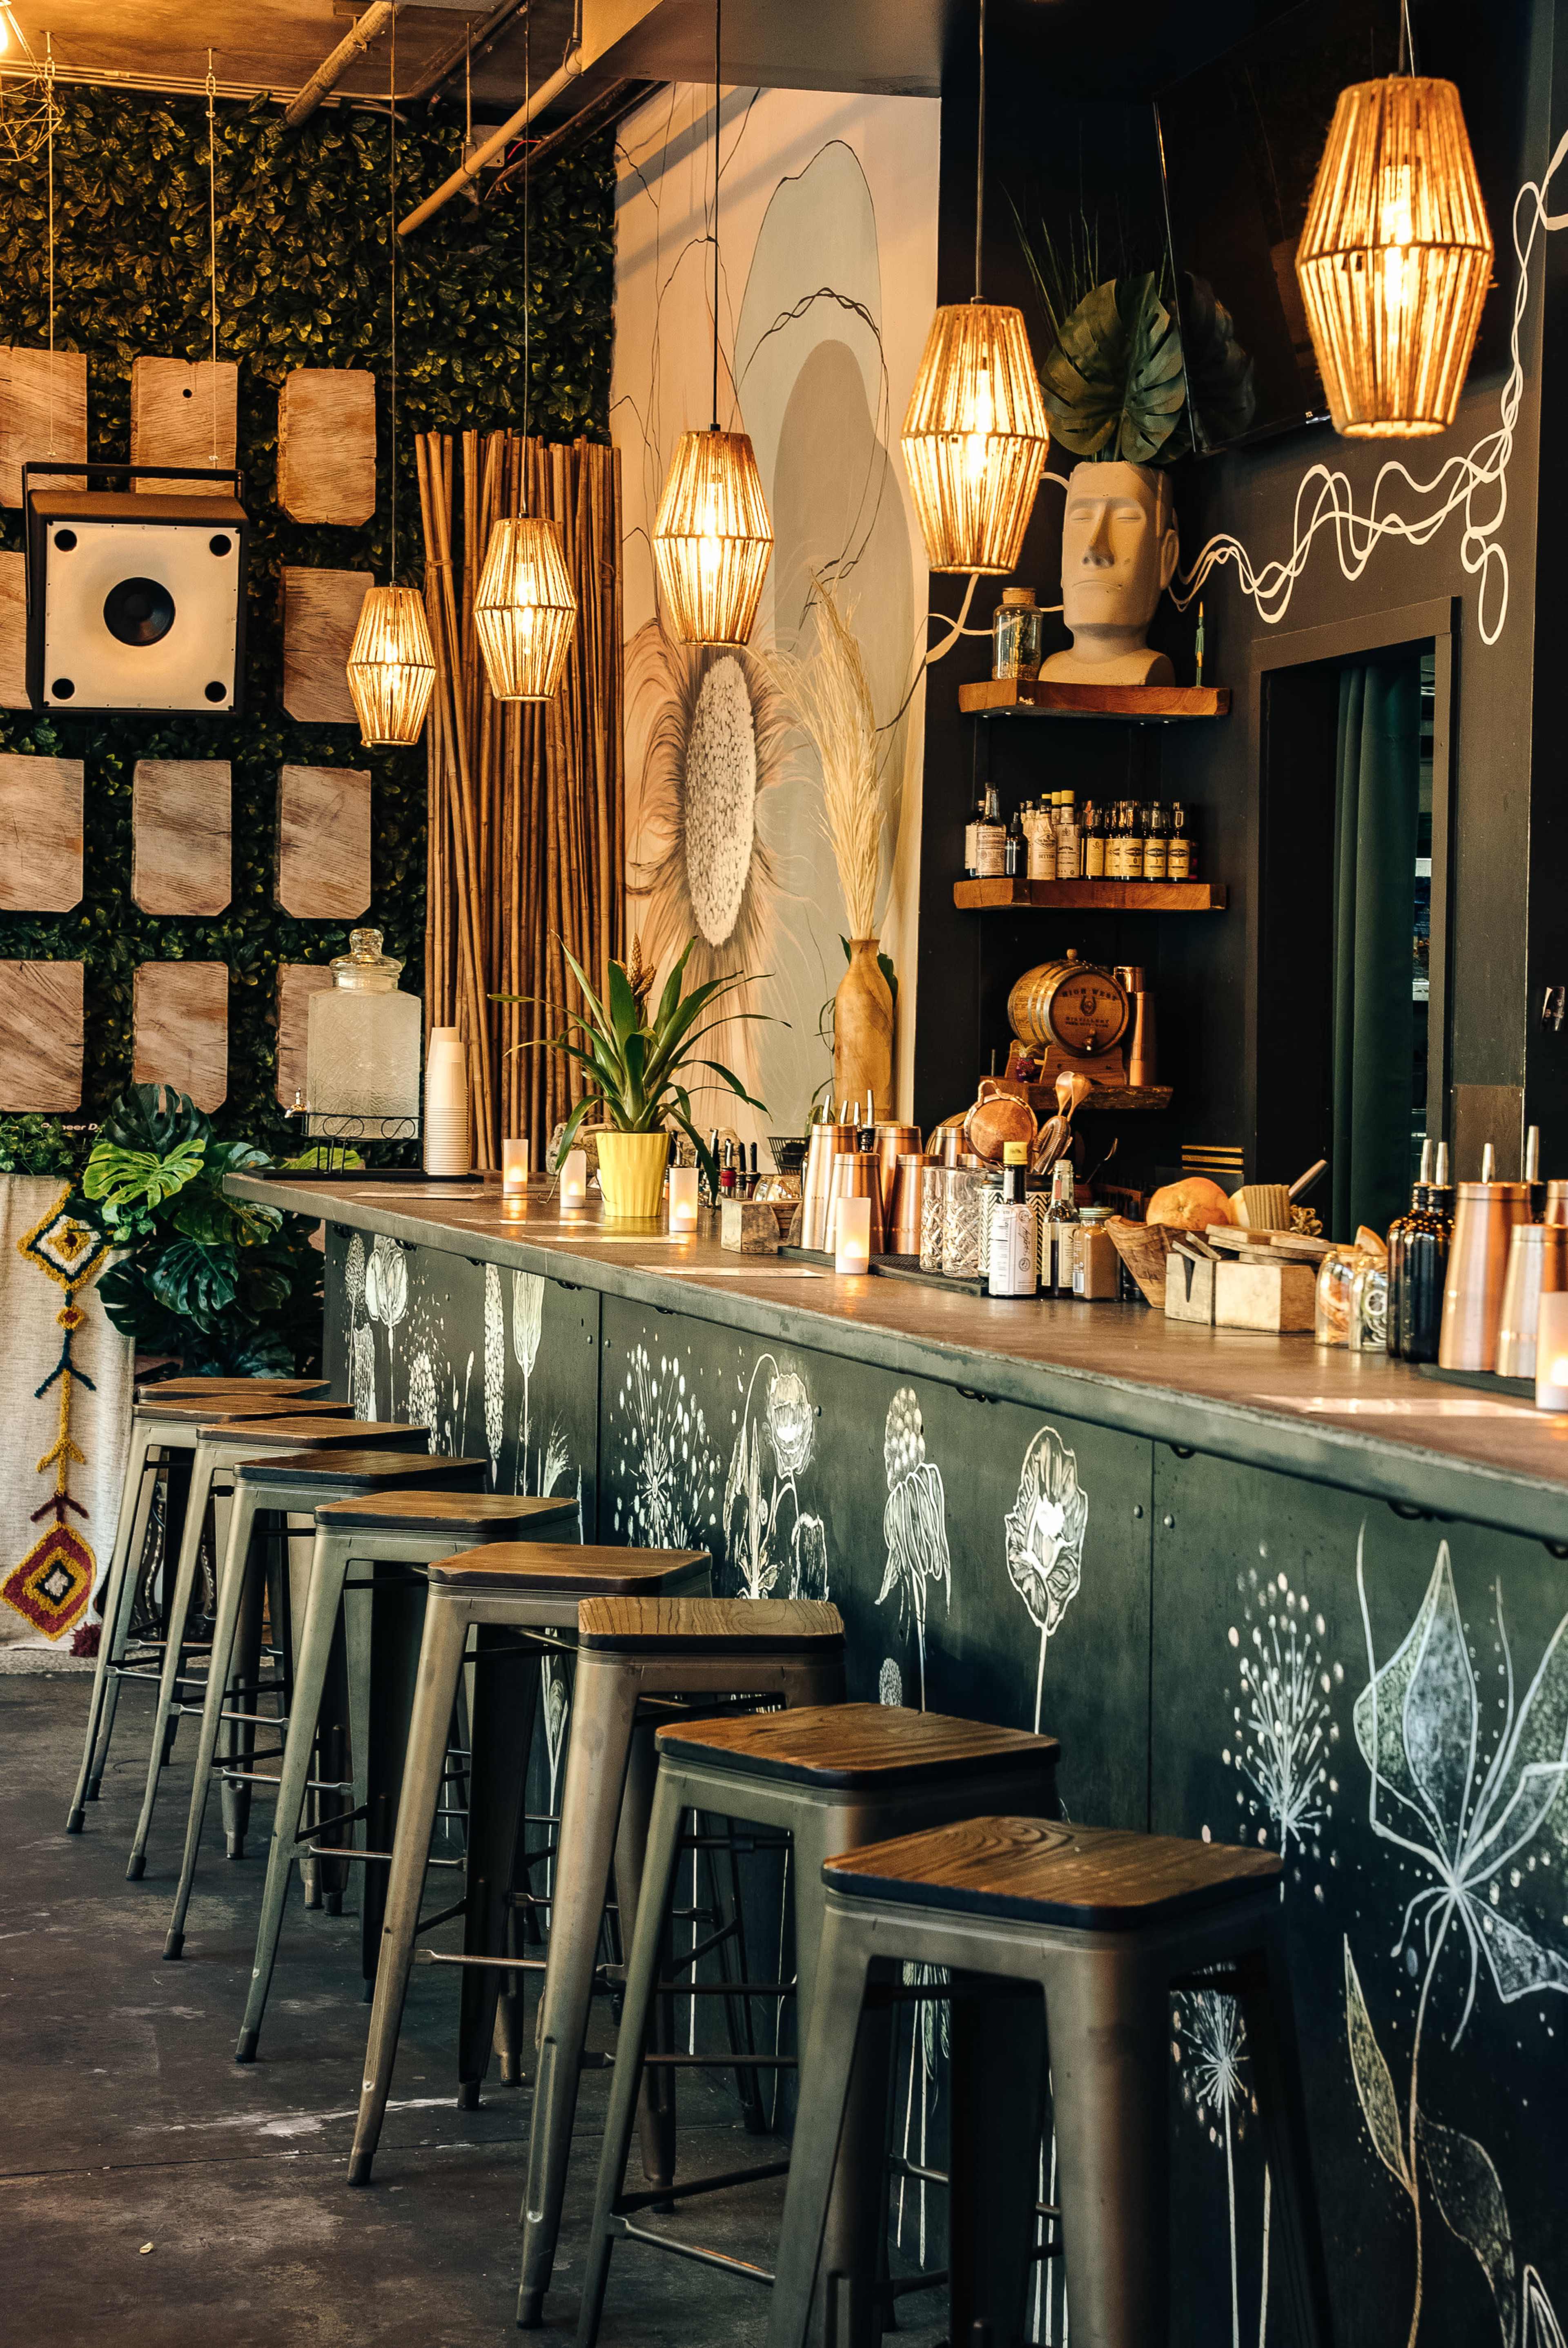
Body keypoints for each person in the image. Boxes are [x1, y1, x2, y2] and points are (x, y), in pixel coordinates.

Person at [1041, 460, 1178, 685]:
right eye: (1082, 518)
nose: (1095, 552)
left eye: (1126, 518)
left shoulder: (1155, 671)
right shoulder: (1049, 672)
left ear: (1167, 558)